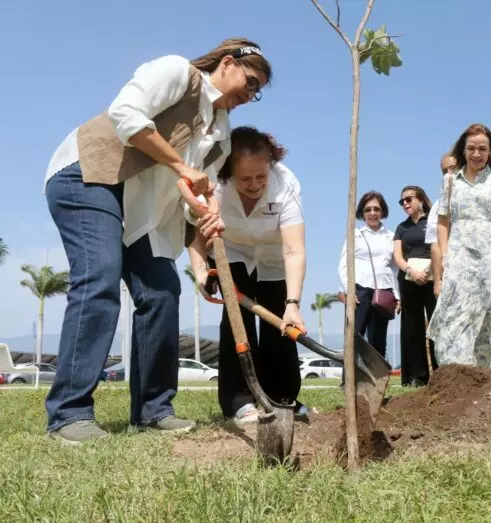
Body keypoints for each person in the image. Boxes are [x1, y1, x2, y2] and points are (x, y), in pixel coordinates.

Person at [42, 39, 272, 444]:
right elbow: (125, 114)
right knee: (100, 277)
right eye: (250, 82)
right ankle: (69, 413)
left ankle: (153, 410)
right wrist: (182, 165)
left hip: (139, 210)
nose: (250, 95)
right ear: (227, 62)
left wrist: (205, 214)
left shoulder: (221, 135)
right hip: (89, 176)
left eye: (258, 92)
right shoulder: (178, 73)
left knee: (163, 291)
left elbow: (188, 194)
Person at [186, 126, 307, 426]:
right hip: (232, 250)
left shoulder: (286, 184)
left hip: (273, 255)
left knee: (280, 322)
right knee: (236, 319)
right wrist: (200, 271)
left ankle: (283, 397)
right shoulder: (214, 184)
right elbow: (194, 231)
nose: (255, 185)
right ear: (228, 173)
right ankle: (238, 400)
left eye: (261, 176)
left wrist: (293, 303)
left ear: (271, 165)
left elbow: (294, 249)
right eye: (245, 179)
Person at [428, 123, 491, 368]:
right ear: (463, 150)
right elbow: (443, 222)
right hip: (459, 256)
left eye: (482, 149)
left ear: (490, 152)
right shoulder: (449, 181)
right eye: (471, 148)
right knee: (456, 312)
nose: (477, 154)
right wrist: (446, 257)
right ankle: (457, 372)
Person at [338, 191, 400, 359]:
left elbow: (394, 269)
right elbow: (344, 264)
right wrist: (348, 290)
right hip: (360, 291)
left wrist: (397, 295)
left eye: (376, 209)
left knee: (378, 340)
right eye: (368, 209)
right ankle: (350, 373)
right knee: (354, 336)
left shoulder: (391, 236)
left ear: (382, 211)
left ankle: (377, 374)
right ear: (362, 212)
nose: (372, 213)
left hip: (384, 292)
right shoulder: (355, 234)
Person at [393, 186, 438, 386]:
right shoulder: (401, 227)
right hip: (409, 280)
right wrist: (411, 271)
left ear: (420, 199)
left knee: (436, 325)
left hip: (433, 278)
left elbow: (441, 247)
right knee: (412, 328)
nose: (405, 203)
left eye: (409, 199)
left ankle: (441, 372)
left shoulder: (433, 221)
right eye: (402, 201)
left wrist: (428, 270)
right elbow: (397, 256)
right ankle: (417, 377)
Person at [428, 154, 457, 297]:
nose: (449, 174)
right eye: (444, 171)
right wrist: (437, 282)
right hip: (452, 274)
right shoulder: (438, 207)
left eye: (453, 168)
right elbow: (435, 246)